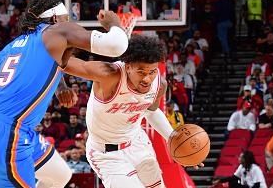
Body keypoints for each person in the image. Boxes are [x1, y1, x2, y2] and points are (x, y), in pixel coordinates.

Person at [0, 0, 129, 188]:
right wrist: (115, 24)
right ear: (55, 19)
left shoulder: (11, 48)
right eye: (66, 18)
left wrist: (60, 86)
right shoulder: (58, 31)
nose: (68, 22)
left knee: (59, 176)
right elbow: (116, 45)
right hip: (8, 133)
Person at [64, 35, 194, 188]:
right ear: (128, 66)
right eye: (141, 72)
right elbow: (60, 59)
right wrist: (61, 86)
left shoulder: (159, 84)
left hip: (138, 143)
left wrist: (173, 138)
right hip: (107, 153)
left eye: (152, 72)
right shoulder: (109, 75)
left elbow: (151, 111)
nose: (147, 78)